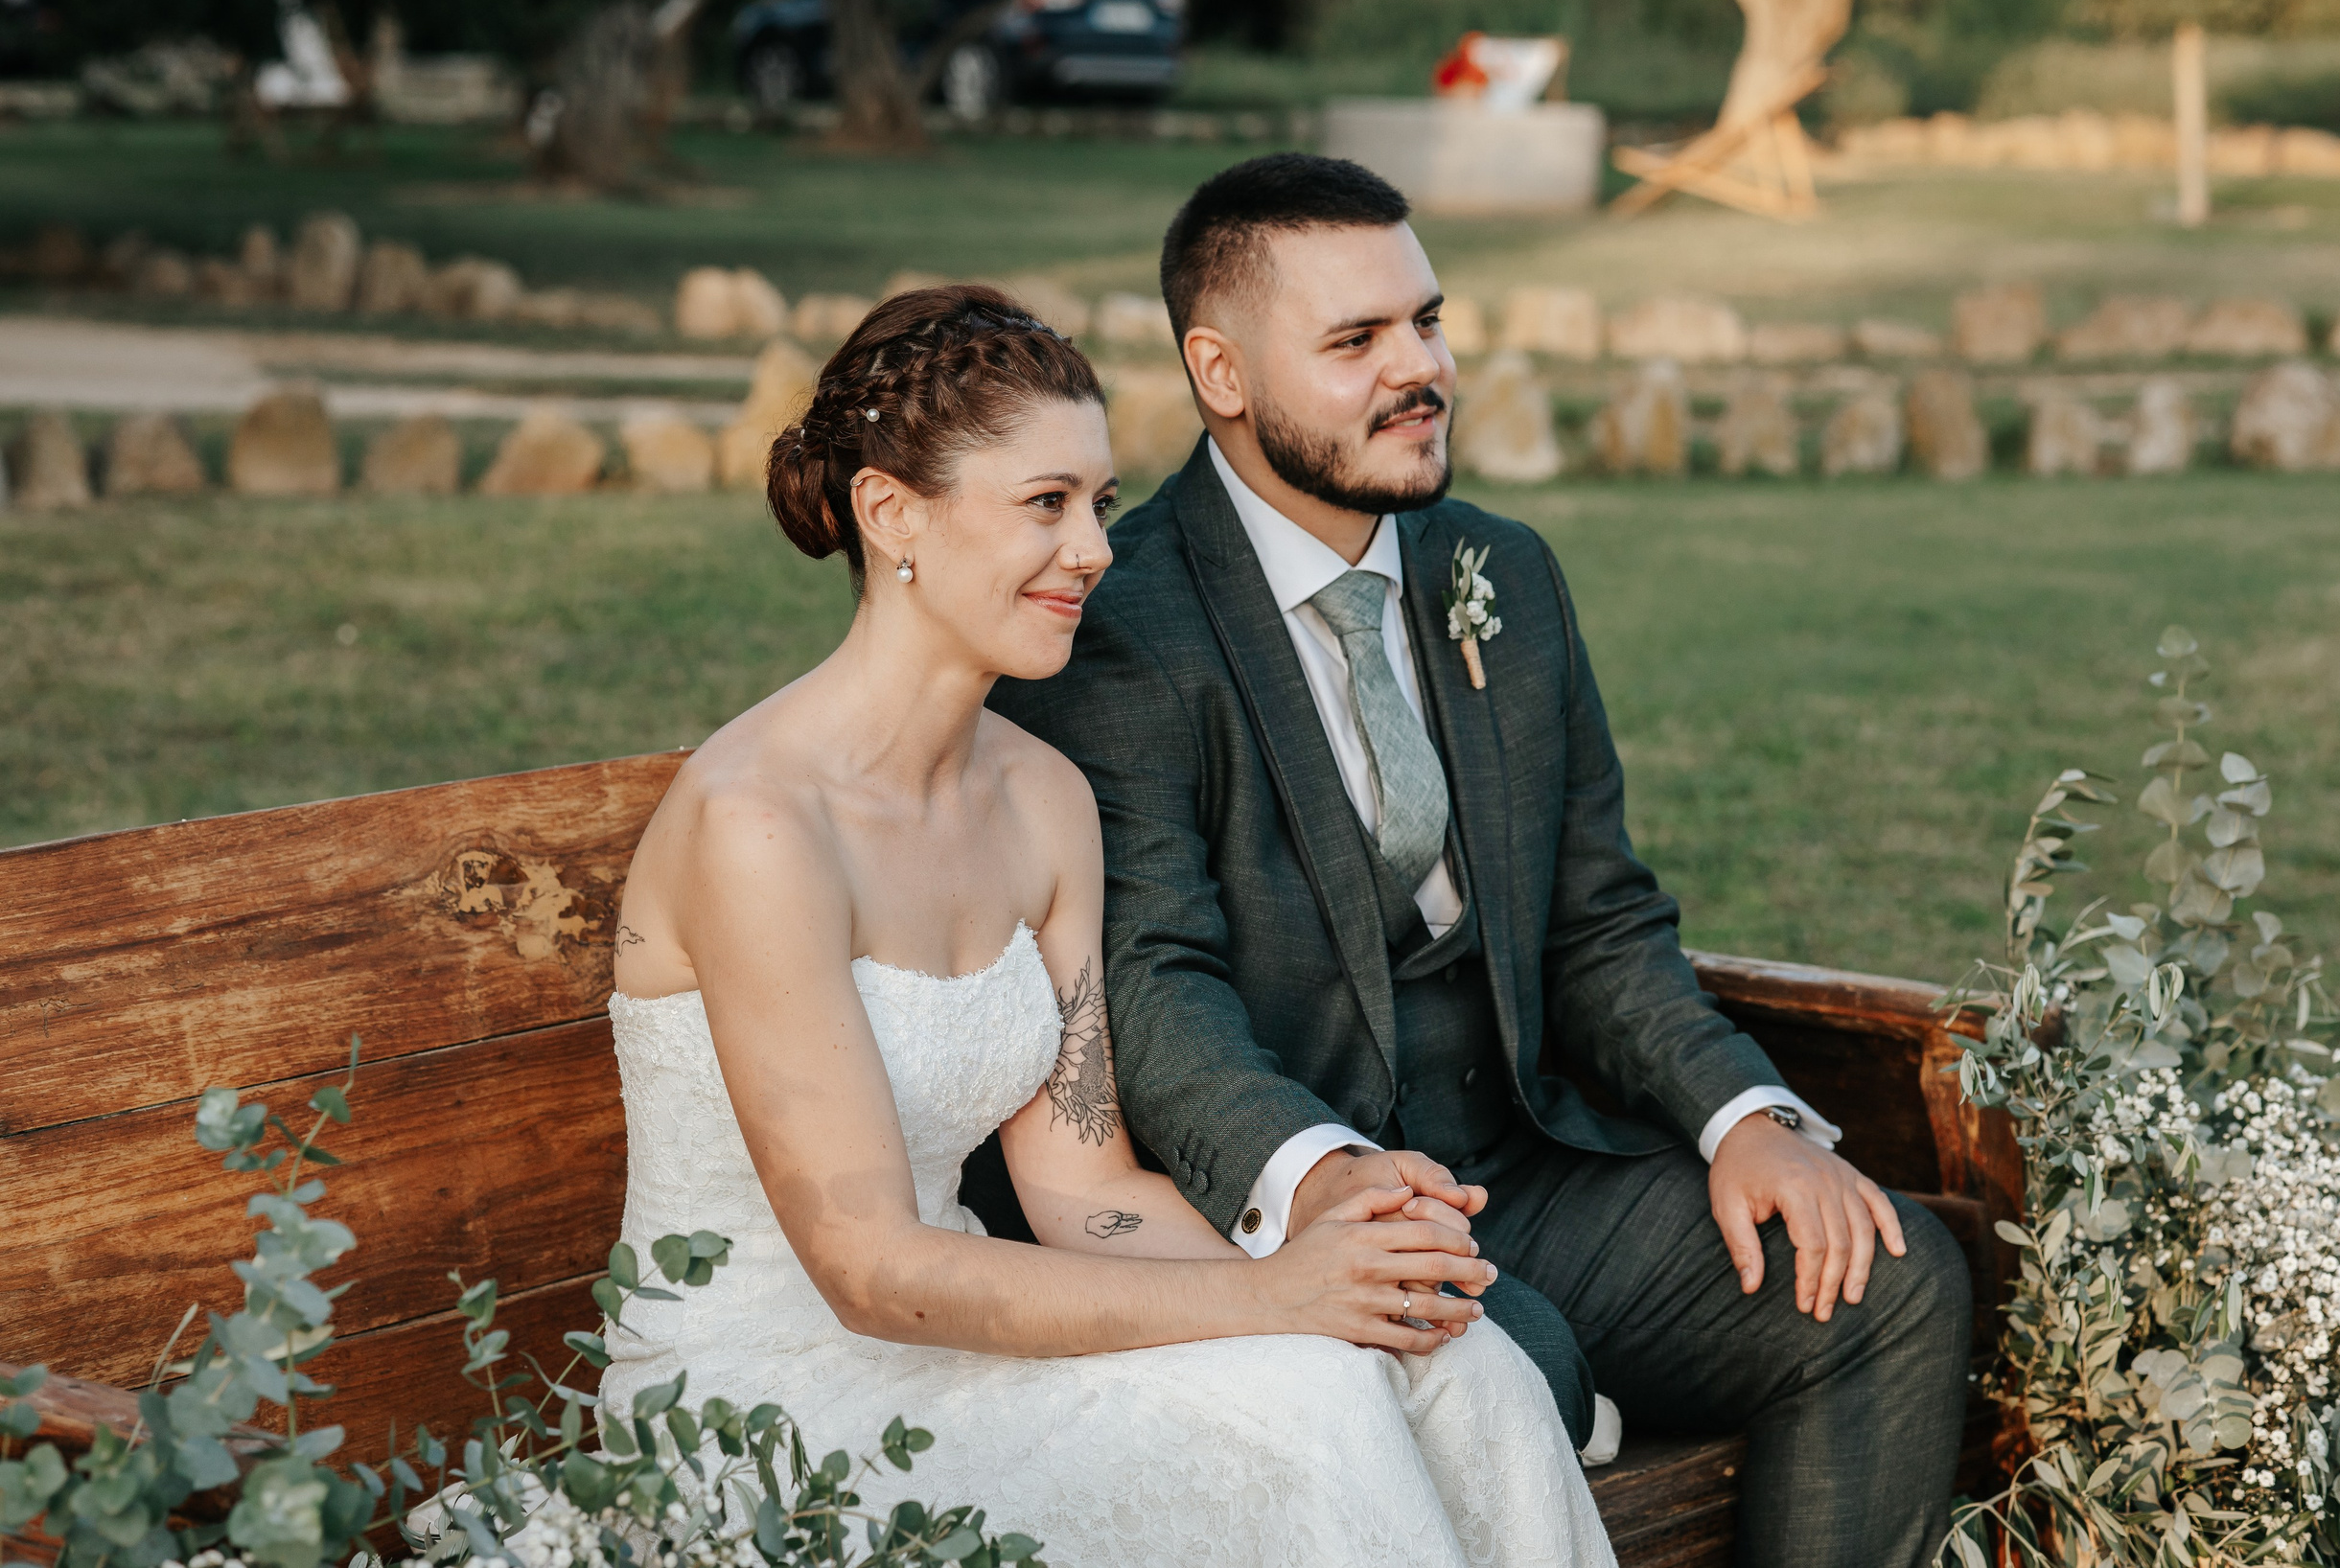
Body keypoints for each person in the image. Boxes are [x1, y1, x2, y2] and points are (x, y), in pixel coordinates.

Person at [986, 155, 1975, 1568]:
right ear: (1220, 370)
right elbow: (1149, 986)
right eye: (1356, 342)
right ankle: (1570, 1384)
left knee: (1889, 1282)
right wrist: (1322, 1177)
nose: (1421, 369)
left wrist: (1743, 1116)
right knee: (1522, 1370)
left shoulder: (1502, 574)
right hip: (1294, 1209)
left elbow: (1598, 919)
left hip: (1530, 1167)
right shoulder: (1123, 627)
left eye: (1427, 322)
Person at [602, 283, 1613, 1568]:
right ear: (889, 513)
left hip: (954, 1343)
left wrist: (1332, 1268)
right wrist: (1266, 1302)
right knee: (1307, 1401)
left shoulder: (1042, 804)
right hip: (774, 1396)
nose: (1093, 550)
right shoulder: (763, 825)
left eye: (1101, 506)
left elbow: (1082, 1189)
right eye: (1044, 505)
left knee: (1451, 1366)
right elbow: (866, 1269)